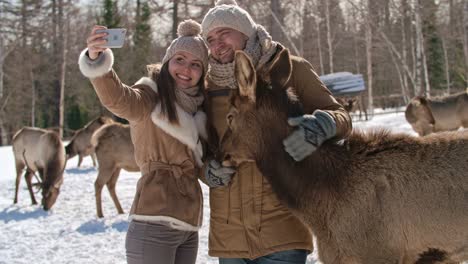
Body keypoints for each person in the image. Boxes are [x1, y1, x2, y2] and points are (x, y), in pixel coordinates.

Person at [200, 0, 353, 263]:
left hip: (284, 229)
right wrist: (206, 171)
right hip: (230, 238)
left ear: (246, 32)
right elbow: (202, 149)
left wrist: (322, 125)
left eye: (224, 33)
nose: (217, 44)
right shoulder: (208, 86)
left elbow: (342, 117)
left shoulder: (292, 69)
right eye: (210, 39)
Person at [78, 20, 209, 264]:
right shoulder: (150, 98)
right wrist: (97, 60)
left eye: (195, 64)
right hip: (154, 223)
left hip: (189, 228)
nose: (186, 69)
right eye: (179, 59)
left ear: (203, 72)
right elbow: (119, 98)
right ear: (168, 60)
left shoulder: (199, 111)